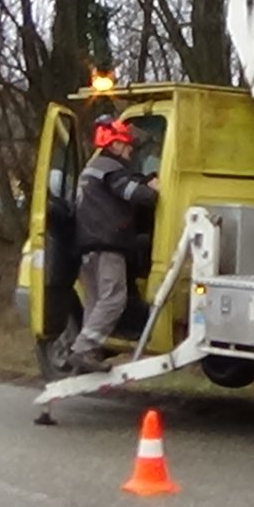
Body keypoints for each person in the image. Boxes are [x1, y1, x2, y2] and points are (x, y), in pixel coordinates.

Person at [67, 116, 159, 374]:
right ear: (115, 145)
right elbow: (136, 195)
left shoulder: (93, 168)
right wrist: (153, 187)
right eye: (127, 145)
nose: (130, 150)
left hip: (87, 245)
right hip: (108, 245)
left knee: (96, 302)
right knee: (113, 299)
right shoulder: (110, 168)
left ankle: (88, 355)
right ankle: (83, 350)